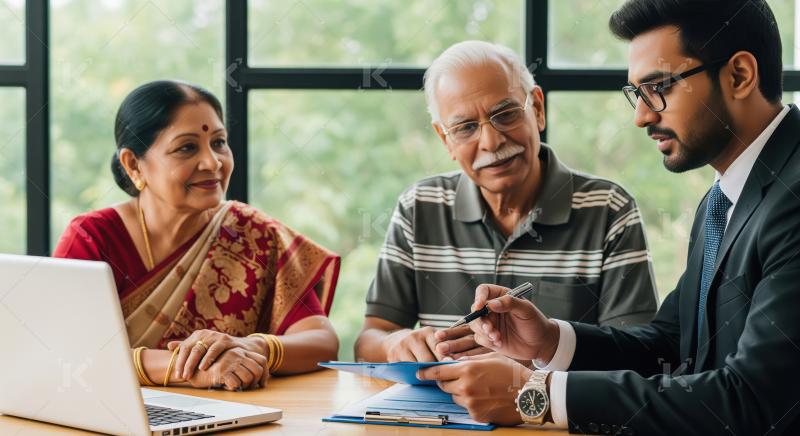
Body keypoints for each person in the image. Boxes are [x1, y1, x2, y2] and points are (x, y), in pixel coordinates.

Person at [420, 1, 800, 434]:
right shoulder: (726, 195)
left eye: (660, 87)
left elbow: (753, 400)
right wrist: (548, 340)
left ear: (739, 76)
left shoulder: (792, 196)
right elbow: (671, 345)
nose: (641, 116)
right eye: (637, 94)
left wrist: (538, 394)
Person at [355, 40, 659, 363]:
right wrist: (396, 344)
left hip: (560, 413)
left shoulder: (610, 210)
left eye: (506, 114)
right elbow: (370, 340)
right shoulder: (419, 208)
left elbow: (639, 356)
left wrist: (533, 369)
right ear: (445, 140)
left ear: (538, 109)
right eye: (465, 127)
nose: (491, 140)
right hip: (442, 412)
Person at [54, 80, 340, 391]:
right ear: (134, 165)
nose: (213, 162)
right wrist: (190, 368)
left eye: (219, 142)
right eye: (187, 147)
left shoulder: (254, 235)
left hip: (237, 418)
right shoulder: (94, 238)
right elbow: (64, 354)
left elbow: (322, 342)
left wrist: (253, 347)